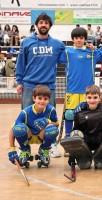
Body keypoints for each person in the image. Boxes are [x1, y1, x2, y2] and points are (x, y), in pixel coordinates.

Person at [15, 13, 65, 157]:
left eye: (46, 23)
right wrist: (19, 82)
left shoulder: (58, 44)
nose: (43, 25)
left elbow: (69, 57)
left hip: (49, 86)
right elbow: (20, 63)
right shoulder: (26, 42)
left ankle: (50, 146)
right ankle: (23, 147)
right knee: (25, 117)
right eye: (41, 22)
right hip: (29, 85)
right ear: (37, 25)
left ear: (50, 26)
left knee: (51, 117)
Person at [58, 27, 101, 150]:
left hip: (88, 92)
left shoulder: (92, 52)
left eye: (81, 38)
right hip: (72, 90)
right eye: (76, 38)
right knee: (70, 114)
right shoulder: (67, 52)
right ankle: (67, 137)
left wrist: (94, 47)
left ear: (85, 39)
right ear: (72, 39)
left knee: (87, 115)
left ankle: (87, 138)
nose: (79, 40)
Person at [67, 85, 102, 169]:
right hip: (85, 141)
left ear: (100, 98)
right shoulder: (79, 112)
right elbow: (75, 133)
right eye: (89, 97)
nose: (92, 100)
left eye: (95, 97)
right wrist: (73, 155)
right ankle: (83, 157)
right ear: (85, 98)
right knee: (75, 133)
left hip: (99, 140)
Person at [7, 85, 59, 167]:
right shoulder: (25, 112)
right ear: (34, 98)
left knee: (53, 129)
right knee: (18, 128)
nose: (42, 101)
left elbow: (57, 124)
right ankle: (25, 150)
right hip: (28, 137)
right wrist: (12, 149)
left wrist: (48, 121)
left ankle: (44, 150)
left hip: (42, 137)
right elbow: (12, 130)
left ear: (49, 100)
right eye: (39, 98)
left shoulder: (51, 110)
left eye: (45, 99)